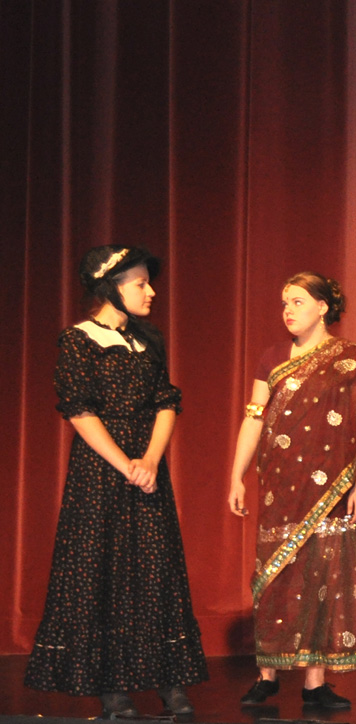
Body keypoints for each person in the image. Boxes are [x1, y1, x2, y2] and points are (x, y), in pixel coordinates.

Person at [25, 245, 208, 718]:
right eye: (140, 283)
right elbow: (79, 411)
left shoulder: (147, 341)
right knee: (102, 571)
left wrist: (150, 460)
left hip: (147, 470)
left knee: (155, 570)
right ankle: (111, 688)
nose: (151, 292)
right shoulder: (78, 340)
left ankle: (168, 680)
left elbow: (166, 402)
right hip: (101, 473)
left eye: (149, 282)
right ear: (110, 287)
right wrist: (126, 464)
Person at [228, 271, 356, 711]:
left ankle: (315, 683)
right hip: (280, 487)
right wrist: (236, 474)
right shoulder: (272, 357)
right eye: (284, 303)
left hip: (333, 487)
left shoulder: (352, 359)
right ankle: (267, 676)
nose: (288, 311)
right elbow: (254, 417)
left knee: (324, 579)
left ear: (323, 307)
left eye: (298, 302)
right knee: (275, 577)